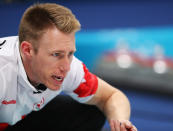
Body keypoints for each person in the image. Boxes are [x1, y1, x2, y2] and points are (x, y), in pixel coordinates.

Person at [0, 3, 137, 131]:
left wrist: (120, 122)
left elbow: (111, 96)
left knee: (91, 111)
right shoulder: (3, 73)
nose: (66, 67)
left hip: (18, 117)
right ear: (28, 50)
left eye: (70, 53)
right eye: (56, 54)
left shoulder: (69, 67)